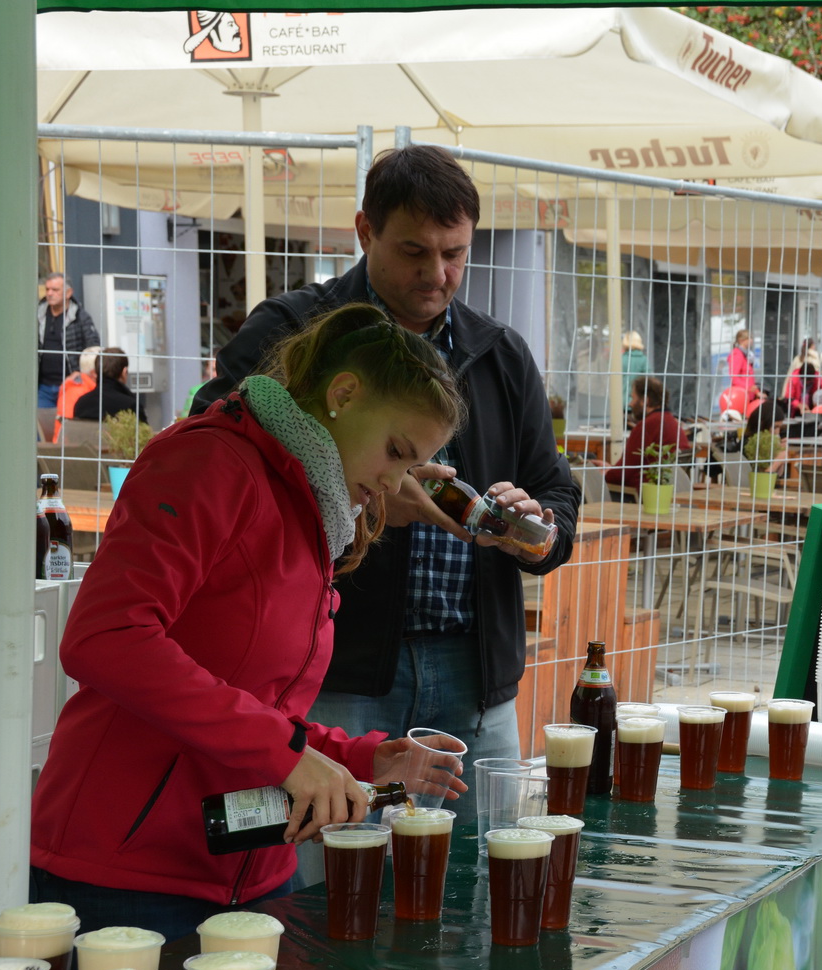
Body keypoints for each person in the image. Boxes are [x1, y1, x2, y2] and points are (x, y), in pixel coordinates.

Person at [30, 303, 470, 940]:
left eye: (414, 466)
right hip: (128, 876)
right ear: (342, 394)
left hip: (252, 869)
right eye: (397, 452)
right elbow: (106, 637)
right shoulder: (209, 463)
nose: (396, 482)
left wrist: (356, 760)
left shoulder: (313, 510)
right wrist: (290, 756)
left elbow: (259, 705)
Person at [190, 145, 580, 828]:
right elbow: (215, 447)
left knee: (476, 890)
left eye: (455, 253)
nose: (438, 274)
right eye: (414, 251)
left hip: (475, 672)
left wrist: (534, 530)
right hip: (337, 671)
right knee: (335, 889)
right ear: (364, 230)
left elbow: (559, 497)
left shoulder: (501, 353)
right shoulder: (292, 330)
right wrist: (354, 500)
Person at [605, 376, 690, 496]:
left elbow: (622, 473)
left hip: (640, 495)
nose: (630, 404)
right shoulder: (671, 422)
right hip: (667, 493)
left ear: (645, 401)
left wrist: (603, 474)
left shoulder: (648, 426)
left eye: (632, 398)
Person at [37, 272, 100, 409]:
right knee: (40, 427)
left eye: (55, 290)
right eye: (47, 289)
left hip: (71, 385)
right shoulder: (38, 315)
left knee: (68, 427)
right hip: (43, 387)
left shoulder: (80, 317)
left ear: (68, 293)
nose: (49, 293)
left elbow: (93, 348)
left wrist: (80, 373)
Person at [73, 347, 138, 422]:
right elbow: (143, 432)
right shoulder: (130, 405)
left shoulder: (81, 403)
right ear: (124, 371)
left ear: (97, 373)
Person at [53, 346, 100, 439]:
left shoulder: (81, 387)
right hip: (72, 449)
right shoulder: (77, 393)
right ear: (94, 373)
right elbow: (69, 432)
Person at [719, 331, 758, 417]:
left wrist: (756, 391)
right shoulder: (737, 354)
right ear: (741, 340)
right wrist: (749, 388)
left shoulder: (746, 355)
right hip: (740, 397)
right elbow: (734, 377)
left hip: (748, 395)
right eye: (748, 338)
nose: (751, 340)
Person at [781, 338, 822, 416]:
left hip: (813, 408)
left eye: (810, 380)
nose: (808, 383)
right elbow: (790, 397)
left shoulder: (798, 359)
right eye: (805, 380)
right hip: (798, 409)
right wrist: (799, 405)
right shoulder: (819, 357)